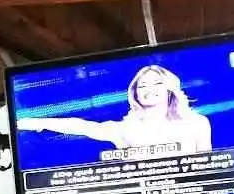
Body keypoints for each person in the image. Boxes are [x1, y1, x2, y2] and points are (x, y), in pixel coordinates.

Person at [17, 64, 212, 154]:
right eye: (142, 85)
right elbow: (80, 126)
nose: (149, 89)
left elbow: (209, 170)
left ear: (170, 89)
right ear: (135, 94)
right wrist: (36, 122)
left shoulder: (196, 123)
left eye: (157, 83)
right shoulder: (124, 129)